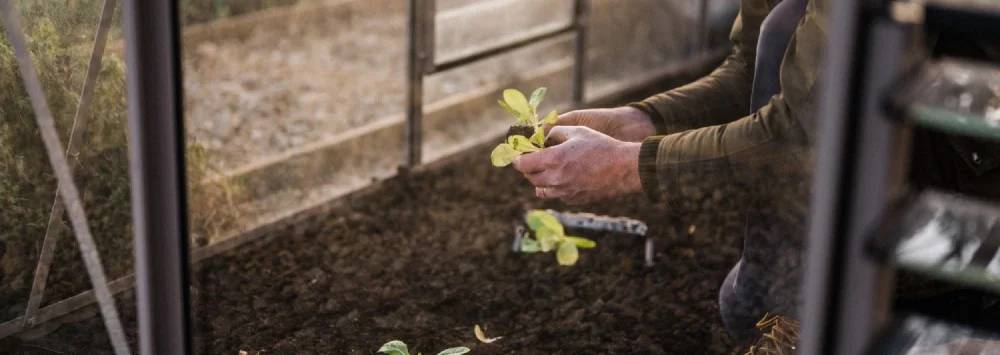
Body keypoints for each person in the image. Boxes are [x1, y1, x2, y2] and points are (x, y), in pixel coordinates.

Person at [512, 0, 821, 347]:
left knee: (761, 311)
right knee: (745, 306)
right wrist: (639, 121)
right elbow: (750, 69)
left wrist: (627, 166)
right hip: (786, 248)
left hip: (869, 233)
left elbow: (800, 134)